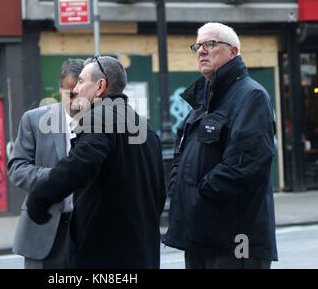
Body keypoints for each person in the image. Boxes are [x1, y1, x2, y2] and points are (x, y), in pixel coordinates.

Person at [25, 55, 166, 268]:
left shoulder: (97, 118)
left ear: (100, 86)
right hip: (143, 251)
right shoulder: (144, 127)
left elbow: (78, 167)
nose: (76, 89)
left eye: (81, 81)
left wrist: (39, 198)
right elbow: (159, 194)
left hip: (105, 253)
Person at [163, 22, 278, 269]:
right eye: (198, 46)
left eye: (211, 44)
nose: (202, 51)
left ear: (233, 51)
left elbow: (247, 164)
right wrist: (178, 189)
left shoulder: (251, 96)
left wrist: (197, 195)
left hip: (234, 241)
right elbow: (182, 156)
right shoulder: (203, 101)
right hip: (201, 234)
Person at [7, 58, 84, 269]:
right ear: (60, 90)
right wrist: (58, 178)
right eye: (71, 93)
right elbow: (17, 169)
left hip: (87, 231)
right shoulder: (34, 120)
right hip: (45, 229)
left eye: (82, 93)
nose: (77, 100)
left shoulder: (101, 125)